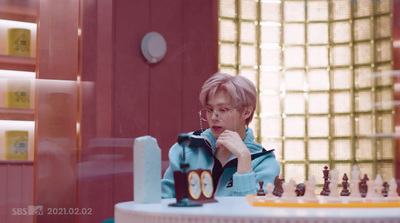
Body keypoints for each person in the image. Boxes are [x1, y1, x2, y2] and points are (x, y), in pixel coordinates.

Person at [161, 73, 280, 198]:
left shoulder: (265, 164)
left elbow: (249, 214)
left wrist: (244, 158)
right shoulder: (187, 147)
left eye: (223, 110)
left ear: (246, 112)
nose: (213, 117)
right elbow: (164, 199)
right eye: (210, 109)